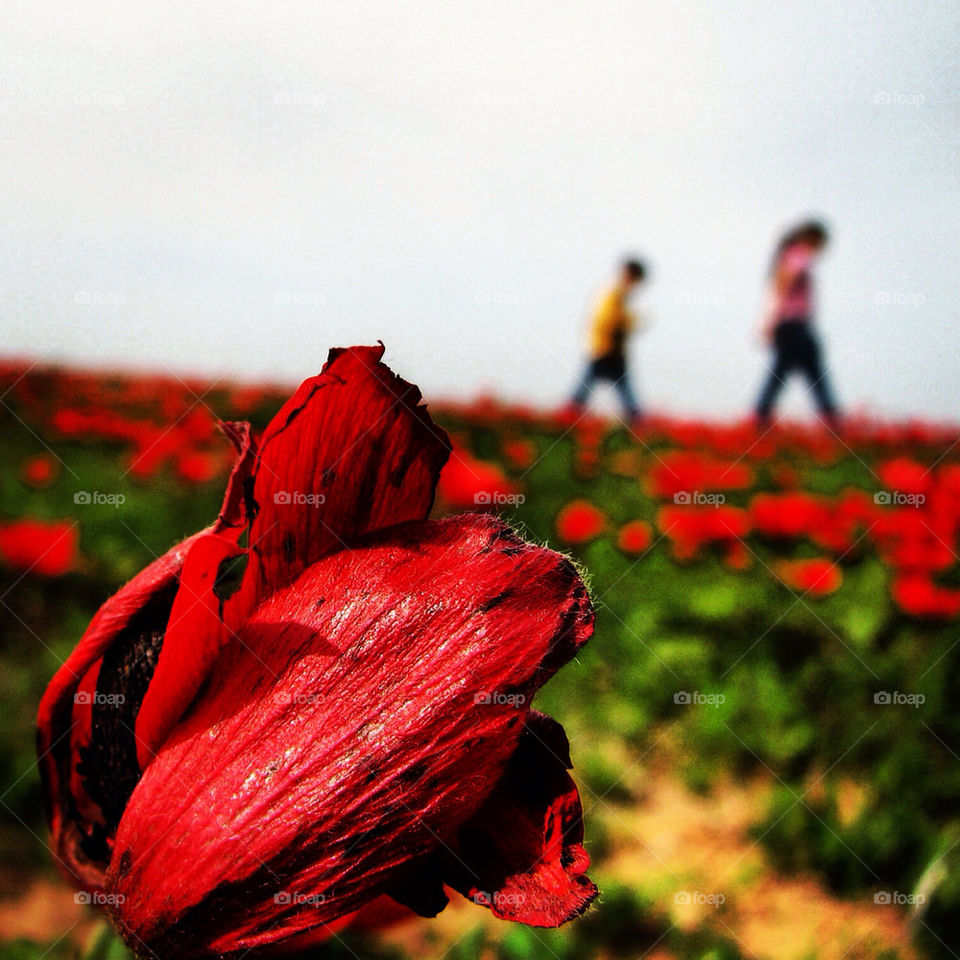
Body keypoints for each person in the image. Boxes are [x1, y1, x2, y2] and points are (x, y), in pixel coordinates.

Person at [754, 219, 839, 427]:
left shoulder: (789, 254)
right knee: (813, 371)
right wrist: (770, 320)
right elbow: (784, 283)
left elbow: (780, 284)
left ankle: (761, 415)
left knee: (783, 372)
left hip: (787, 324)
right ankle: (831, 418)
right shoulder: (799, 254)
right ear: (813, 239)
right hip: (794, 324)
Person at [569, 257, 647, 422]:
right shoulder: (614, 294)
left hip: (608, 348)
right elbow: (607, 320)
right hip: (606, 348)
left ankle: (570, 413)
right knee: (614, 386)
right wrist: (629, 323)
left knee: (593, 385)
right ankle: (636, 419)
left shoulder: (618, 294)